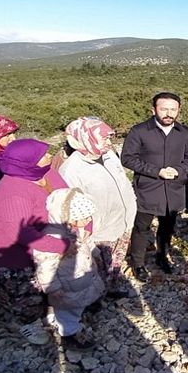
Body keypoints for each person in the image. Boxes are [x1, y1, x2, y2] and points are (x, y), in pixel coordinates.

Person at [0, 139, 68, 345]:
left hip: (41, 246)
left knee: (43, 285)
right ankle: (28, 323)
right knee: (22, 292)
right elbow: (19, 233)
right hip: (13, 255)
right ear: (28, 162)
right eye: (43, 155)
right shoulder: (15, 191)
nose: (49, 156)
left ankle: (45, 312)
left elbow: (65, 196)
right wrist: (59, 246)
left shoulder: (42, 173)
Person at [121, 92, 188, 283]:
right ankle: (138, 263)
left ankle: (161, 256)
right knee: (142, 227)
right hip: (148, 189)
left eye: (173, 109)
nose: (168, 113)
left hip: (174, 189)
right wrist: (157, 171)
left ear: (179, 111)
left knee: (167, 226)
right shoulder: (139, 131)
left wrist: (179, 170)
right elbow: (127, 158)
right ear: (153, 109)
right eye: (164, 108)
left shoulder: (184, 132)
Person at [58, 117, 136, 296]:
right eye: (104, 138)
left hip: (123, 220)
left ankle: (111, 286)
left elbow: (122, 180)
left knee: (116, 259)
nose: (109, 142)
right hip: (99, 230)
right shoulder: (71, 170)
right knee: (96, 266)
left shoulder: (109, 155)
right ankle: (93, 297)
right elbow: (71, 208)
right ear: (85, 139)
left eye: (109, 138)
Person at [34, 188, 104, 351]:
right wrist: (53, 287)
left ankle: (63, 316)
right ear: (69, 216)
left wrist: (95, 251)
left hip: (78, 277)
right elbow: (45, 265)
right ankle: (69, 334)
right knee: (68, 310)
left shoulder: (74, 229)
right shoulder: (52, 238)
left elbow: (86, 242)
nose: (88, 220)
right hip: (66, 284)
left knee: (76, 301)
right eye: (84, 217)